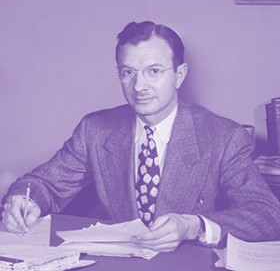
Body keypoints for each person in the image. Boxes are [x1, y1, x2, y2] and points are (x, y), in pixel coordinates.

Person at [2, 21, 280, 252]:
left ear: (179, 75)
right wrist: (25, 201)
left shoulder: (223, 137)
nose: (139, 86)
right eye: (128, 72)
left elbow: (268, 215)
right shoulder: (96, 130)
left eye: (154, 71)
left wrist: (194, 226)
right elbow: (42, 184)